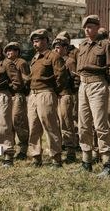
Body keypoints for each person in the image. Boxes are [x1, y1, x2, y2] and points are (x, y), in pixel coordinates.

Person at [77, 15, 110, 177]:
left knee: (100, 125)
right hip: (83, 85)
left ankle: (107, 164)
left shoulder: (105, 45)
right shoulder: (83, 45)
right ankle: (86, 161)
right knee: (83, 124)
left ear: (97, 27)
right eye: (85, 27)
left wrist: (104, 82)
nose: (87, 30)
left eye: (90, 27)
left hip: (97, 84)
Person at [28, 29, 68, 168]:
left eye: (37, 40)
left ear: (45, 40)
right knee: (33, 127)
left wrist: (53, 91)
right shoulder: (35, 58)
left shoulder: (53, 57)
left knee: (50, 126)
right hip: (33, 94)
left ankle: (56, 158)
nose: (35, 43)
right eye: (33, 41)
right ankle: (35, 156)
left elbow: (61, 77)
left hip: (46, 93)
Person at [0, 40, 23, 167]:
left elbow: (17, 82)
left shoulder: (7, 64)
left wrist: (7, 93)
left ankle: (8, 156)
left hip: (2, 96)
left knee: (3, 126)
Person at [52, 36, 79, 163]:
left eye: (59, 47)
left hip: (65, 95)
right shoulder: (54, 61)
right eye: (55, 48)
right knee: (56, 124)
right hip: (55, 96)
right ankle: (59, 149)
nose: (56, 50)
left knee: (67, 123)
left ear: (65, 48)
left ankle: (71, 152)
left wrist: (71, 93)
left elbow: (76, 79)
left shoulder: (69, 61)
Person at [3, 42, 30, 160]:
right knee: (8, 123)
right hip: (8, 96)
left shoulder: (21, 63)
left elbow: (26, 79)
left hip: (18, 94)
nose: (9, 53)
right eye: (7, 51)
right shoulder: (6, 63)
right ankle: (10, 149)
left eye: (11, 50)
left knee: (18, 121)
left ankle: (23, 149)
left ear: (17, 51)